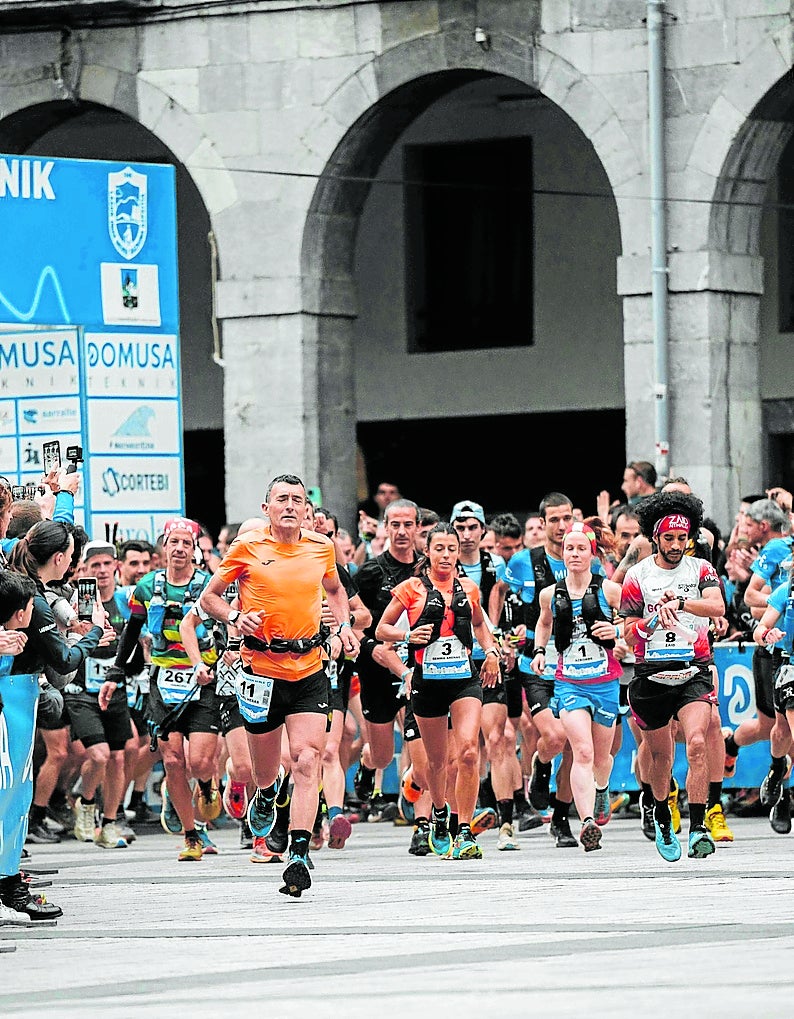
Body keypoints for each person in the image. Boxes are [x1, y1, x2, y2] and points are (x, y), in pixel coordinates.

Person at [200, 474, 359, 898]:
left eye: (297, 500)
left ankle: (299, 850)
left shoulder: (320, 547)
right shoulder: (247, 547)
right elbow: (209, 599)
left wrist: (342, 625)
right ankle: (267, 796)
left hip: (308, 666)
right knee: (264, 770)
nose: (290, 505)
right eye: (281, 499)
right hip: (260, 670)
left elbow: (335, 590)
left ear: (307, 509)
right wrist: (234, 618)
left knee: (309, 759)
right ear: (266, 507)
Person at [2, 521, 109, 921]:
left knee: (17, 791)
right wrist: (92, 633)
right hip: (11, 695)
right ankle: (10, 885)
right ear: (61, 558)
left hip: (22, 694)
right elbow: (64, 660)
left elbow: (44, 525)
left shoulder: (31, 586)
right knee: (11, 792)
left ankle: (10, 881)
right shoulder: (33, 597)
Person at [375, 523, 501, 860]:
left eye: (451, 549)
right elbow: (381, 628)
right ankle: (440, 814)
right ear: (427, 552)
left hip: (464, 680)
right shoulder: (411, 589)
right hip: (427, 684)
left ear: (459, 553)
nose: (445, 555)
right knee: (436, 762)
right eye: (439, 549)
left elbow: (479, 625)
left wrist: (489, 652)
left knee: (470, 752)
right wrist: (406, 638)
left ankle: (464, 830)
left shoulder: (469, 588)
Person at [102, 517, 219, 862]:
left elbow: (224, 626)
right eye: (174, 542)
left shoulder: (208, 585)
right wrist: (114, 671)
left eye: (187, 542)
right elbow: (131, 632)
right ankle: (191, 835)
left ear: (194, 548)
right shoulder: (146, 587)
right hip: (164, 680)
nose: (180, 548)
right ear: (163, 549)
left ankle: (209, 784)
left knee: (198, 761)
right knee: (172, 760)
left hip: (203, 680)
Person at [621, 492, 725, 863]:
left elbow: (716, 606)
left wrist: (679, 603)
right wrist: (651, 619)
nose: (677, 545)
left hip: (693, 668)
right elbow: (628, 632)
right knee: (660, 756)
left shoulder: (700, 570)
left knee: (697, 742)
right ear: (655, 538)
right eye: (670, 538)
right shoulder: (638, 576)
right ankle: (662, 812)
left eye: (683, 538)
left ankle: (698, 827)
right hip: (650, 674)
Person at [489, 494, 579, 849]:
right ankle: (541, 767)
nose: (560, 526)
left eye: (566, 519)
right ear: (542, 524)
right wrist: (496, 636)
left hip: (576, 664)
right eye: (553, 520)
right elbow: (498, 591)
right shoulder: (525, 561)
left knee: (574, 744)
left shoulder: (585, 559)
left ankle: (560, 819)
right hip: (534, 663)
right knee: (553, 737)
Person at [531, 520, 623, 851]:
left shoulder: (609, 590)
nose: (574, 553)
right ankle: (585, 823)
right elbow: (543, 624)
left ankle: (602, 788)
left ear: (591, 552)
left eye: (581, 548)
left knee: (602, 757)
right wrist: (540, 652)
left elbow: (632, 620)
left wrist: (618, 632)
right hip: (569, 682)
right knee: (581, 750)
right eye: (569, 548)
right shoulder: (549, 594)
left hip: (605, 682)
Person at [66, 541, 138, 850]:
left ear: (116, 567)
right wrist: (86, 635)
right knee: (98, 754)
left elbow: (137, 640)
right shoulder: (75, 602)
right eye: (94, 566)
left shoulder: (125, 601)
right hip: (82, 690)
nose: (102, 571)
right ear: (83, 570)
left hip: (115, 690)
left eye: (107, 564)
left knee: (119, 757)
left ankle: (109, 823)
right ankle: (86, 802)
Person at [350, 499, 422, 804]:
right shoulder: (370, 572)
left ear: (418, 527)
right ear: (385, 527)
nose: (402, 531)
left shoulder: (428, 569)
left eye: (408, 524)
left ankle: (422, 818)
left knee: (421, 749)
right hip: (377, 671)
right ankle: (367, 766)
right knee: (381, 755)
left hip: (417, 670)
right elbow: (349, 621)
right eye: (395, 525)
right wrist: (371, 648)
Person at [724, 498, 793, 777]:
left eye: (749, 524)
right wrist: (782, 603)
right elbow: (751, 598)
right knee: (771, 728)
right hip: (777, 647)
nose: (744, 529)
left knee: (776, 728)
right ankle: (733, 745)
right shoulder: (779, 548)